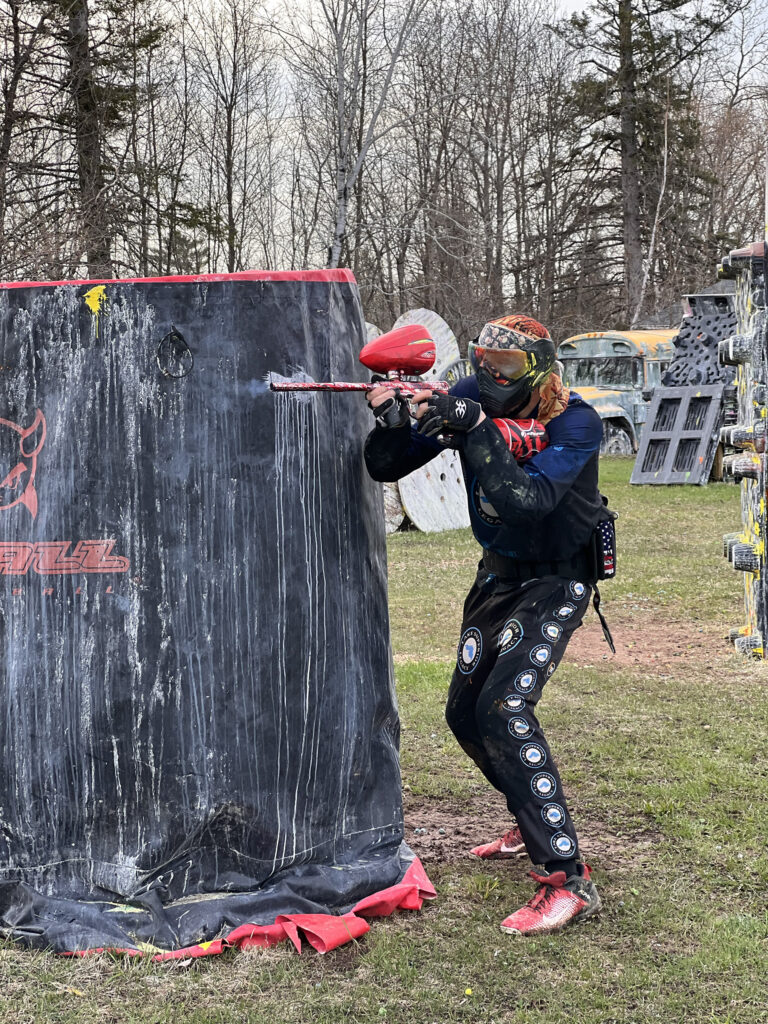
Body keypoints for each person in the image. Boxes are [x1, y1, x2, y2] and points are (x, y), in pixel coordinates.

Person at [364, 313, 607, 937]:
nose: (488, 377)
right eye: (481, 361)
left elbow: (526, 502)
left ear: (539, 370)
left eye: (505, 368)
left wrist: (473, 430)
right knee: (463, 713)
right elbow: (388, 466)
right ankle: (530, 815)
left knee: (504, 709)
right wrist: (395, 417)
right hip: (497, 576)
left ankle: (568, 878)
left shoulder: (575, 421)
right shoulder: (470, 397)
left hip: (557, 580)